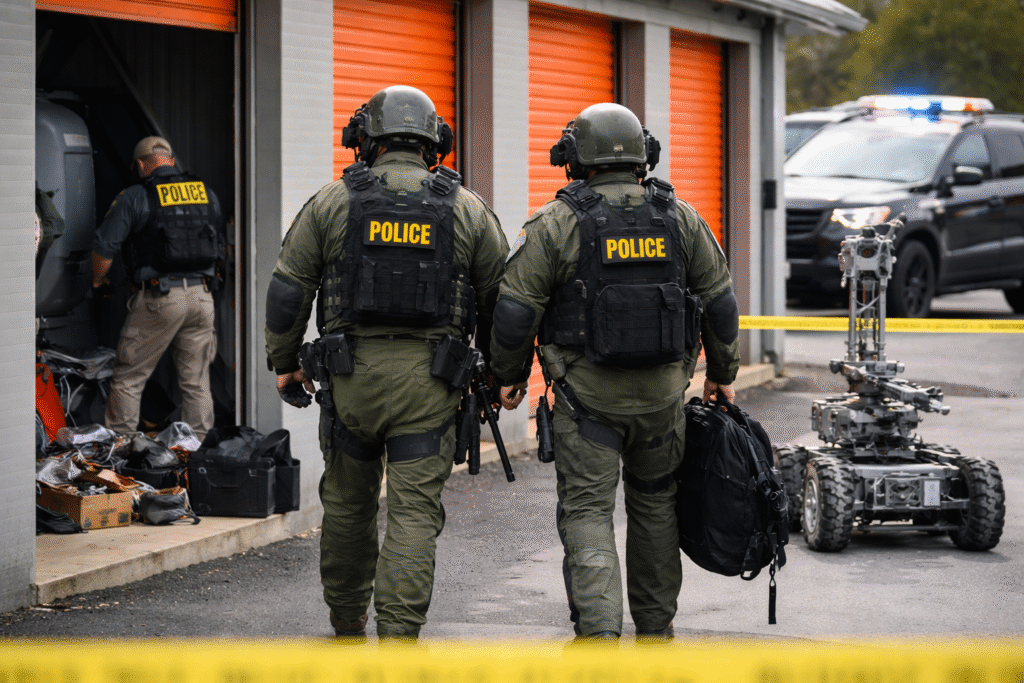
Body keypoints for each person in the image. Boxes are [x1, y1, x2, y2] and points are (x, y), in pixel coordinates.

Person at [264, 85, 508, 640]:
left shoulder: (332, 202)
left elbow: (288, 290)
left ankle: (347, 617)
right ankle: (398, 635)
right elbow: (503, 301)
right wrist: (501, 373)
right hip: (432, 384)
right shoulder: (466, 208)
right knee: (413, 513)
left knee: (348, 505)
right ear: (434, 142)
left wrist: (285, 362)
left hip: (350, 381)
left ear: (366, 138)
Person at [489, 103, 741, 641]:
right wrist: (722, 372)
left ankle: (600, 637)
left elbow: (514, 311)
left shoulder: (556, 223)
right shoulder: (681, 217)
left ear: (577, 157)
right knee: (656, 505)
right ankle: (656, 631)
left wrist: (508, 375)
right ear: (643, 155)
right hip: (663, 402)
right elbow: (720, 302)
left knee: (587, 511)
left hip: (587, 404)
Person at [92, 136, 224, 441]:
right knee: (197, 381)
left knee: (128, 378)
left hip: (160, 298)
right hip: (202, 297)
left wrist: (98, 281)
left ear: (140, 165)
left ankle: (121, 449)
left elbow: (104, 247)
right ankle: (196, 452)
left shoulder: (136, 196)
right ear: (171, 161)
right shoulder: (206, 193)